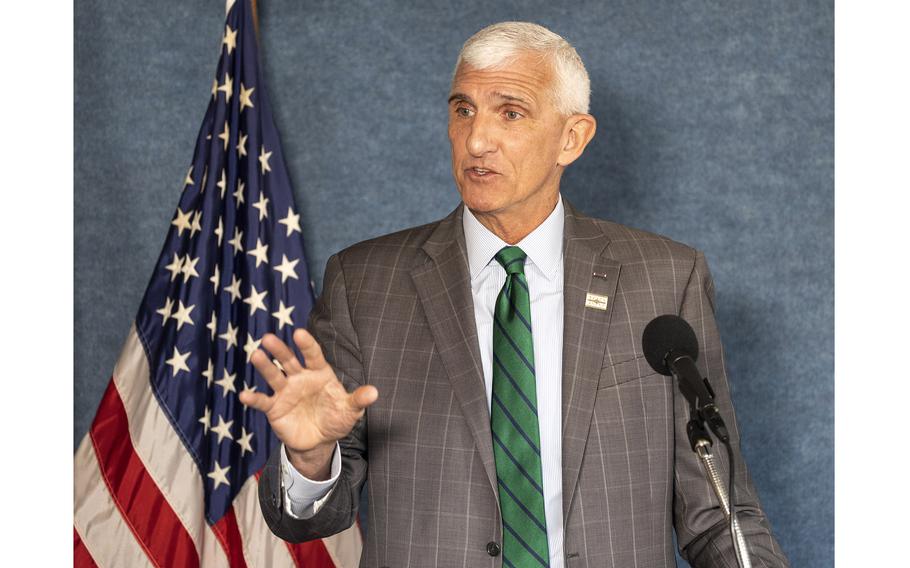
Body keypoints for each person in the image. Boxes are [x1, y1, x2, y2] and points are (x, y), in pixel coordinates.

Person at [240, 21, 789, 568]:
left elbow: (717, 513)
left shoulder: (666, 280)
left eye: (510, 113)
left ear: (571, 138)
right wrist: (310, 457)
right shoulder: (364, 283)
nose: (477, 140)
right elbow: (307, 519)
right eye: (463, 110)